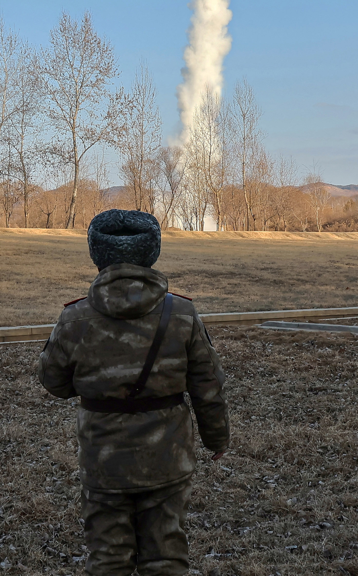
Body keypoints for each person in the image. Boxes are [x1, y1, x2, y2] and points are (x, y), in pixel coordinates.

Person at [38, 209, 230, 576]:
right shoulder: (183, 314)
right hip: (167, 457)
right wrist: (216, 438)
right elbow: (208, 387)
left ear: (96, 253)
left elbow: (53, 382)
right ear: (152, 251)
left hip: (103, 460)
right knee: (166, 559)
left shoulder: (75, 319)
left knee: (108, 560)